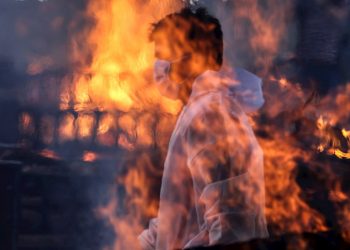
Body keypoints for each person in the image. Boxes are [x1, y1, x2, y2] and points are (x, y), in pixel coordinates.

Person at [138, 7, 269, 250]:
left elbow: (230, 227)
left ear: (192, 57)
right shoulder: (197, 110)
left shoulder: (211, 116)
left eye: (163, 56)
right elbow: (176, 215)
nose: (158, 66)